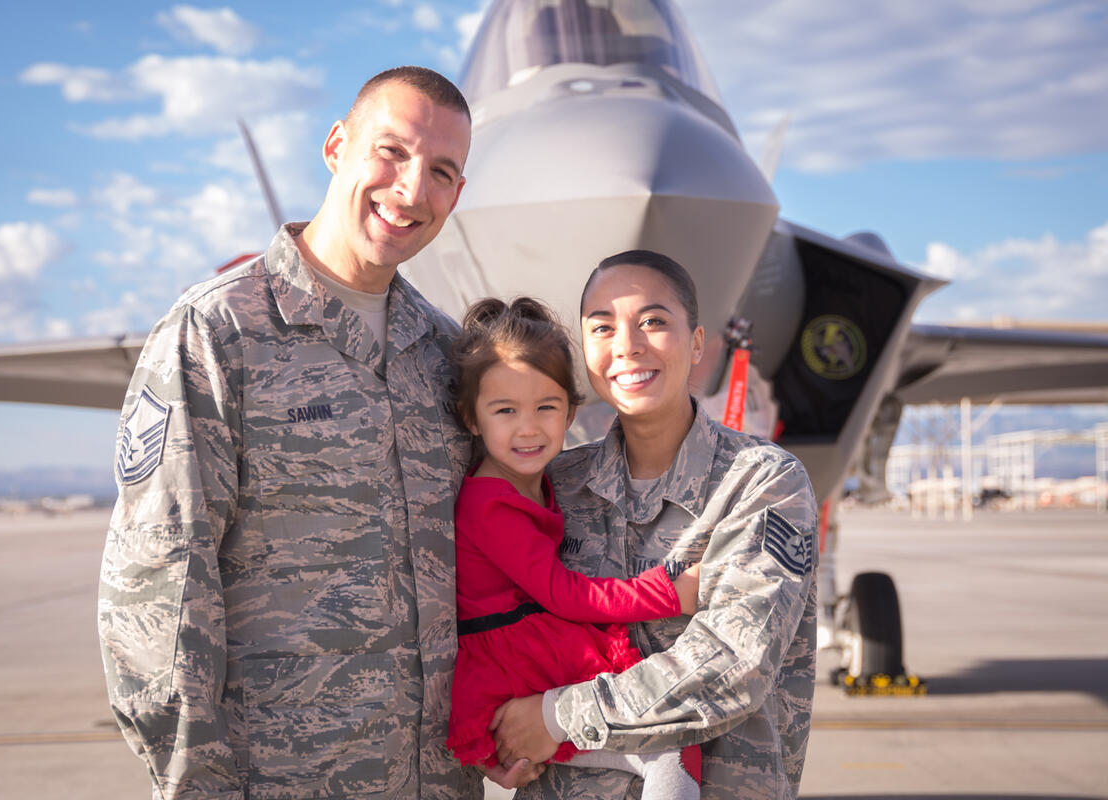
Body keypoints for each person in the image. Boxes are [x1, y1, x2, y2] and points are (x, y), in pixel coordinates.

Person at [99, 66, 489, 799]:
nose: (411, 190)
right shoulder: (218, 334)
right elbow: (157, 590)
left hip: (436, 782)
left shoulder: (444, 356)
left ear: (457, 194)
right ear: (336, 145)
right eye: (391, 152)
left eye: (440, 171)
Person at [491, 250, 818, 799]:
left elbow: (733, 665)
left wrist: (554, 718)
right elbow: (495, 624)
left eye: (653, 322)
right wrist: (494, 739)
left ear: (696, 344)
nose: (627, 345)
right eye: (603, 327)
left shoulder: (759, 483)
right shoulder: (554, 487)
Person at [444, 297, 703, 799]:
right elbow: (565, 594)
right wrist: (670, 593)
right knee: (670, 743)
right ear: (470, 418)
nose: (528, 427)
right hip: (519, 655)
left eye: (546, 407)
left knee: (655, 752)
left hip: (521, 652)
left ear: (570, 412)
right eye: (505, 410)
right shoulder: (490, 503)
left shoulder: (539, 481)